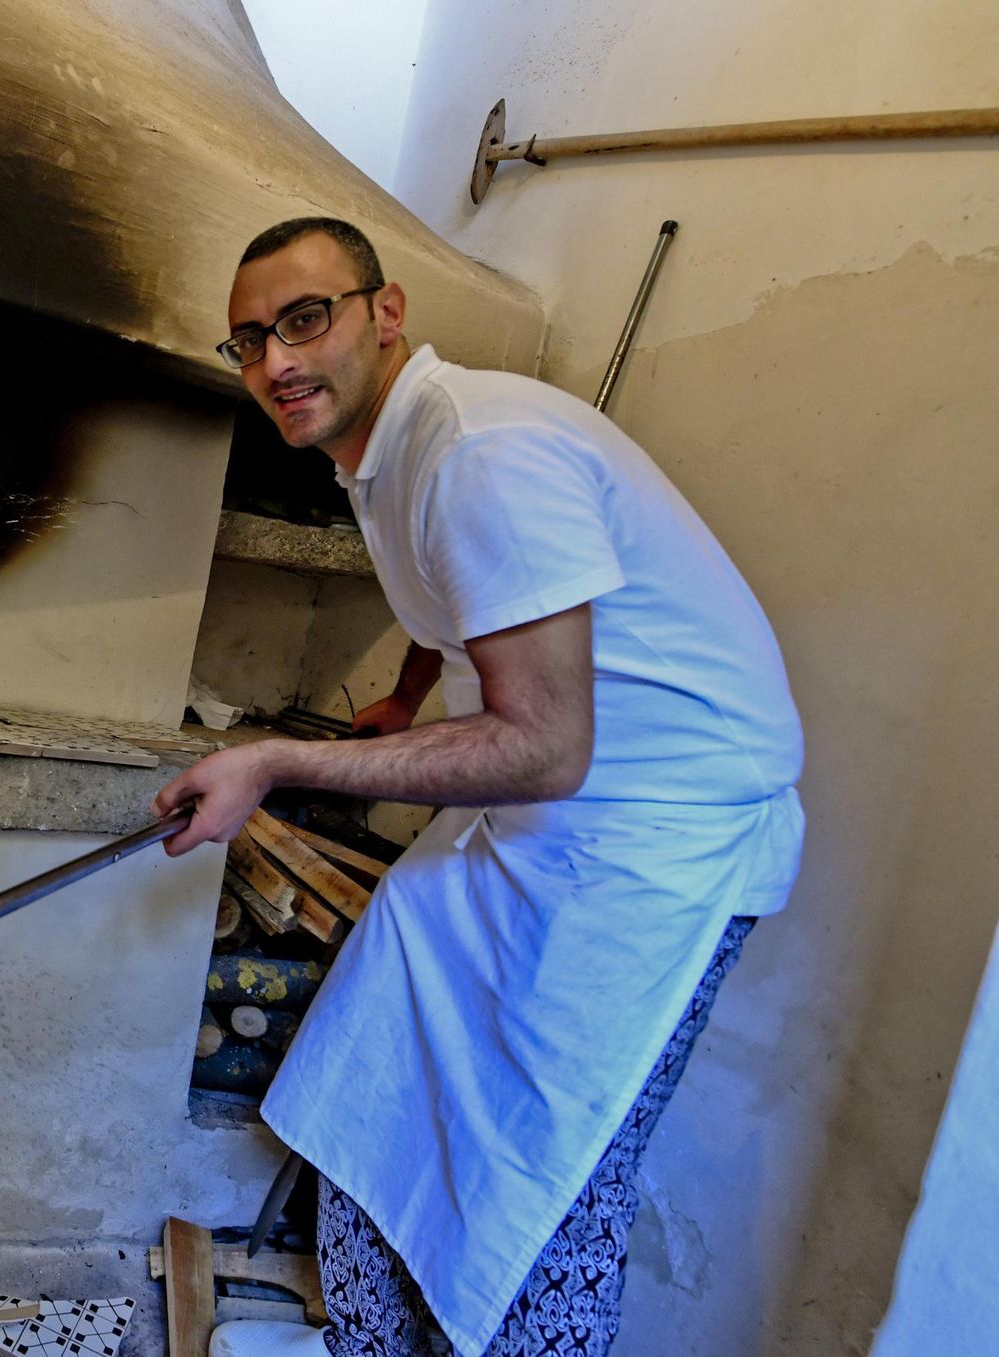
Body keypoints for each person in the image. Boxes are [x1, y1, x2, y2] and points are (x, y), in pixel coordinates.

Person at [157, 218, 805, 1357]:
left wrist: (275, 758)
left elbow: (547, 744)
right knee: (361, 1091)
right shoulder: (386, 449)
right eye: (249, 341)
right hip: (552, 816)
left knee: (540, 1196)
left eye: (306, 320)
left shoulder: (479, 452)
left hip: (652, 851)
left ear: (387, 310)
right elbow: (460, 596)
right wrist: (409, 696)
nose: (277, 364)